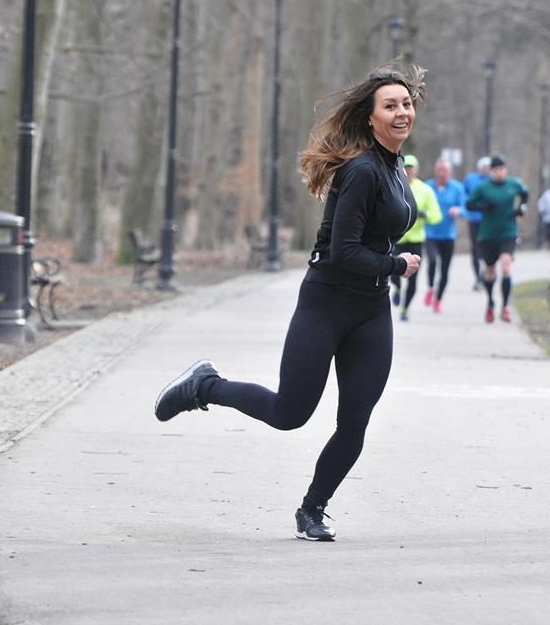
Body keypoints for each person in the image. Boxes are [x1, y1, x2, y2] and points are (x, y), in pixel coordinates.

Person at [153, 64, 426, 542]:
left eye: (406, 104)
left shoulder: (394, 166)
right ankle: (205, 386)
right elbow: (343, 252)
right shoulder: (363, 170)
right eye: (390, 105)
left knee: (355, 421)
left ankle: (312, 510)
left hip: (371, 310)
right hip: (326, 303)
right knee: (289, 413)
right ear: (370, 117)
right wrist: (395, 265)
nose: (401, 112)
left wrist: (388, 265)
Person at [465, 155, 529, 323]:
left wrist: (521, 208)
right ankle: (490, 302)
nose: (499, 172)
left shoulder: (513, 184)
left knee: (506, 267)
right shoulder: (483, 187)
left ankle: (505, 307)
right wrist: (482, 207)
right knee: (490, 271)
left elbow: (525, 194)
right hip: (488, 235)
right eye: (496, 170)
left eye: (502, 169)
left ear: (505, 170)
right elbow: (469, 204)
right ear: (491, 171)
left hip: (508, 233)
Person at [390, 154, 441, 321]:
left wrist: (425, 215)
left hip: (416, 240)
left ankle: (405, 308)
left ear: (416, 169)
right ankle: (397, 288)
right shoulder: (394, 185)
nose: (408, 170)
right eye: (406, 167)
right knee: (393, 271)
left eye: (411, 167)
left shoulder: (425, 190)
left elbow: (436, 215)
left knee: (412, 277)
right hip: (397, 238)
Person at [423, 157, 466, 313]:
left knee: (445, 270)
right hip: (430, 233)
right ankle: (430, 288)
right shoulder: (428, 187)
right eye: (440, 170)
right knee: (432, 261)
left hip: (448, 235)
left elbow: (465, 207)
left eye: (445, 171)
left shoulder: (457, 188)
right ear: (436, 172)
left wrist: (458, 210)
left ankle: (438, 299)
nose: (442, 173)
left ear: (450, 172)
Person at [461, 156, 491, 290]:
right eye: (484, 167)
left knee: (487, 249)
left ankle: (487, 274)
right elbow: (464, 195)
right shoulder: (471, 179)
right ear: (479, 168)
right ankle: (477, 277)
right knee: (475, 249)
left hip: (489, 220)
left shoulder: (492, 180)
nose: (486, 170)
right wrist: (468, 207)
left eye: (488, 167)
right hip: (474, 219)